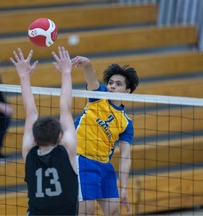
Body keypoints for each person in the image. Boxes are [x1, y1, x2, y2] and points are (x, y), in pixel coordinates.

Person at [10, 47, 78, 215]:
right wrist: (66, 72)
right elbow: (66, 108)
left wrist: (24, 76)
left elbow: (30, 112)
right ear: (60, 136)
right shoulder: (67, 150)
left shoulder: (29, 153)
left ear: (34, 140)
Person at [72, 56, 139, 215]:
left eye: (118, 84)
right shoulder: (98, 96)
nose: (112, 86)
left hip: (104, 166)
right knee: (87, 209)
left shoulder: (126, 123)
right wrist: (87, 64)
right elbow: (91, 77)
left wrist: (123, 188)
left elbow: (125, 156)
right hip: (82, 160)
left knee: (114, 211)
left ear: (127, 91)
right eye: (110, 83)